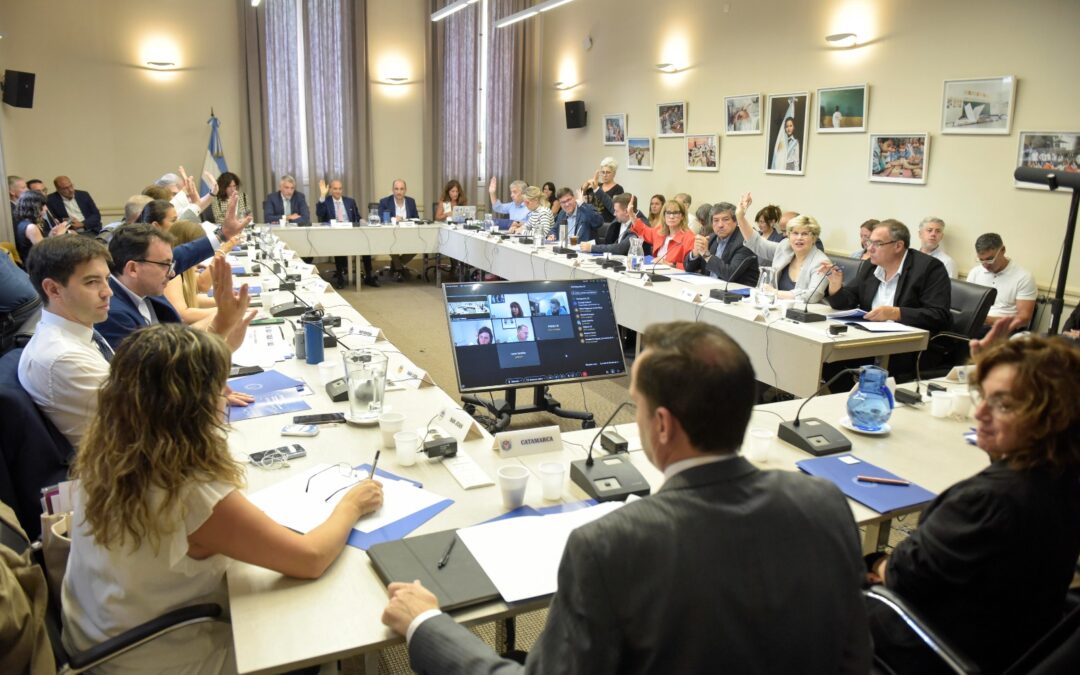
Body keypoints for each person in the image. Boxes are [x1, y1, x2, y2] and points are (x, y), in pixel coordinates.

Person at [382, 321, 872, 674]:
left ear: (661, 426)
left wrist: (425, 625)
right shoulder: (825, 501)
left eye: (635, 404)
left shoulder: (607, 546)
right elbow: (855, 657)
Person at [62, 323, 385, 674]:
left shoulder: (110, 450)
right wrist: (352, 505)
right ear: (189, 406)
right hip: (154, 656)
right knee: (316, 627)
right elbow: (310, 559)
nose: (225, 395)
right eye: (218, 389)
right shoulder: (186, 488)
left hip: (99, 633)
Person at [866, 337, 1080, 674]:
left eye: (1003, 405)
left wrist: (878, 563)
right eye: (984, 396)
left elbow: (900, 577)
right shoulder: (1063, 474)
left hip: (935, 648)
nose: (979, 413)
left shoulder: (987, 502)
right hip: (1016, 636)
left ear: (1049, 416)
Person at [18, 236, 114, 449]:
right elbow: (142, 422)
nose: (108, 291)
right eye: (91, 282)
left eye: (106, 279)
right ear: (53, 289)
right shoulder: (65, 358)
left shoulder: (79, 330)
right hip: (122, 471)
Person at [97, 223, 255, 352]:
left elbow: (181, 254)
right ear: (133, 269)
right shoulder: (114, 315)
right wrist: (222, 323)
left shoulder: (142, 281)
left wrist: (222, 234)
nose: (172, 273)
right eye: (166, 265)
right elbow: (160, 372)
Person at [824, 219, 951, 331]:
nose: (869, 249)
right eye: (869, 242)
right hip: (867, 336)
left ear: (898, 246)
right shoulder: (870, 266)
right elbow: (846, 303)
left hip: (906, 346)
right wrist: (835, 286)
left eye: (877, 244)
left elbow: (938, 316)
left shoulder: (929, 268)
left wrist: (895, 313)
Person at [735, 193, 830, 302]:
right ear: (788, 235)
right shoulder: (785, 247)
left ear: (814, 238)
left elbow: (814, 295)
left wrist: (776, 293)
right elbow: (757, 243)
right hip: (776, 309)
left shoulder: (821, 262)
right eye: (795, 233)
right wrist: (740, 217)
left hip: (803, 314)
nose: (799, 238)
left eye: (804, 234)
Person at [966, 233, 1037, 333]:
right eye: (981, 260)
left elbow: (1024, 319)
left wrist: (984, 319)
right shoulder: (975, 272)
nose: (985, 265)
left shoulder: (1023, 277)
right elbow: (967, 304)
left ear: (1003, 250)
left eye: (990, 259)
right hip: (974, 324)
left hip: (1004, 329)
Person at [316, 179, 374, 287]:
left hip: (351, 232)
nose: (338, 191)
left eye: (340, 189)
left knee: (366, 244)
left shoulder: (349, 201)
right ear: (330, 190)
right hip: (335, 234)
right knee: (339, 244)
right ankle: (340, 277)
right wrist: (322, 196)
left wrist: (362, 221)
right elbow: (320, 214)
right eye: (335, 189)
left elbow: (357, 217)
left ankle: (369, 276)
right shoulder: (326, 202)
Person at [684, 202, 759, 285]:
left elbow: (729, 274)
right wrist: (696, 252)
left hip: (736, 293)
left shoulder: (745, 242)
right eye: (716, 220)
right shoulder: (711, 238)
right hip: (708, 288)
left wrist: (706, 255)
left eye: (725, 219)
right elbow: (688, 268)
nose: (720, 225)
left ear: (735, 221)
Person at [163, 220, 218, 326]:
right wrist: (222, 312)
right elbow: (183, 314)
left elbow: (190, 296)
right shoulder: (172, 273)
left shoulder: (184, 268)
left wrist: (224, 303)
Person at [629, 198, 696, 270]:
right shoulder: (660, 231)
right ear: (664, 216)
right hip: (655, 270)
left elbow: (692, 267)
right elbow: (644, 231)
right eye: (668, 213)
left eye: (676, 213)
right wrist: (632, 216)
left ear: (682, 216)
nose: (671, 217)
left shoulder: (690, 238)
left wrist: (670, 264)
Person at [376, 179, 420, 280]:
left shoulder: (411, 201)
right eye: (396, 189)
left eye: (401, 189)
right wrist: (393, 219)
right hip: (391, 234)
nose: (399, 192)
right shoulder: (385, 201)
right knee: (391, 244)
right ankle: (400, 268)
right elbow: (380, 218)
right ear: (392, 190)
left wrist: (408, 220)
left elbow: (416, 217)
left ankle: (395, 265)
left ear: (405, 190)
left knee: (419, 245)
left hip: (408, 234)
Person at [580, 194, 651, 256]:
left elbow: (621, 248)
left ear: (626, 212)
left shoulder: (641, 225)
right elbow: (610, 243)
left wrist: (591, 248)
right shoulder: (619, 220)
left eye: (616, 211)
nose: (614, 214)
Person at [14, 189, 70, 264]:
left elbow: (41, 244)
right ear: (34, 206)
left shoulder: (24, 222)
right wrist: (59, 235)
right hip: (37, 265)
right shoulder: (31, 227)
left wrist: (51, 235)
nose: (46, 208)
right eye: (43, 205)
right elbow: (44, 252)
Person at [580, 157, 624, 224]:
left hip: (607, 224)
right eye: (603, 172)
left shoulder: (618, 189)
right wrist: (587, 184)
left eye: (608, 172)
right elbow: (582, 194)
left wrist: (596, 189)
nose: (605, 175)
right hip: (593, 223)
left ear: (614, 174)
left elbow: (615, 209)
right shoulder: (597, 185)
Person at [771, 99, 801, 171]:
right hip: (780, 167)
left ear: (794, 127)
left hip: (789, 168)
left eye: (790, 126)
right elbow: (778, 155)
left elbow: (796, 161)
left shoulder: (795, 142)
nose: (788, 128)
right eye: (787, 126)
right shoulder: (781, 141)